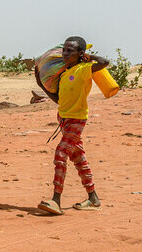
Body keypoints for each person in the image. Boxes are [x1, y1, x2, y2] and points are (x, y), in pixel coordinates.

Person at [36, 36, 109, 215]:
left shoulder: (84, 69)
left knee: (61, 153)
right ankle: (93, 198)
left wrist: (89, 57)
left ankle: (56, 200)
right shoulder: (64, 73)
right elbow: (60, 100)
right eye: (64, 50)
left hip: (77, 120)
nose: (66, 54)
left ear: (80, 54)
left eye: (70, 51)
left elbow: (105, 62)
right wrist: (41, 84)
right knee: (79, 159)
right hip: (64, 120)